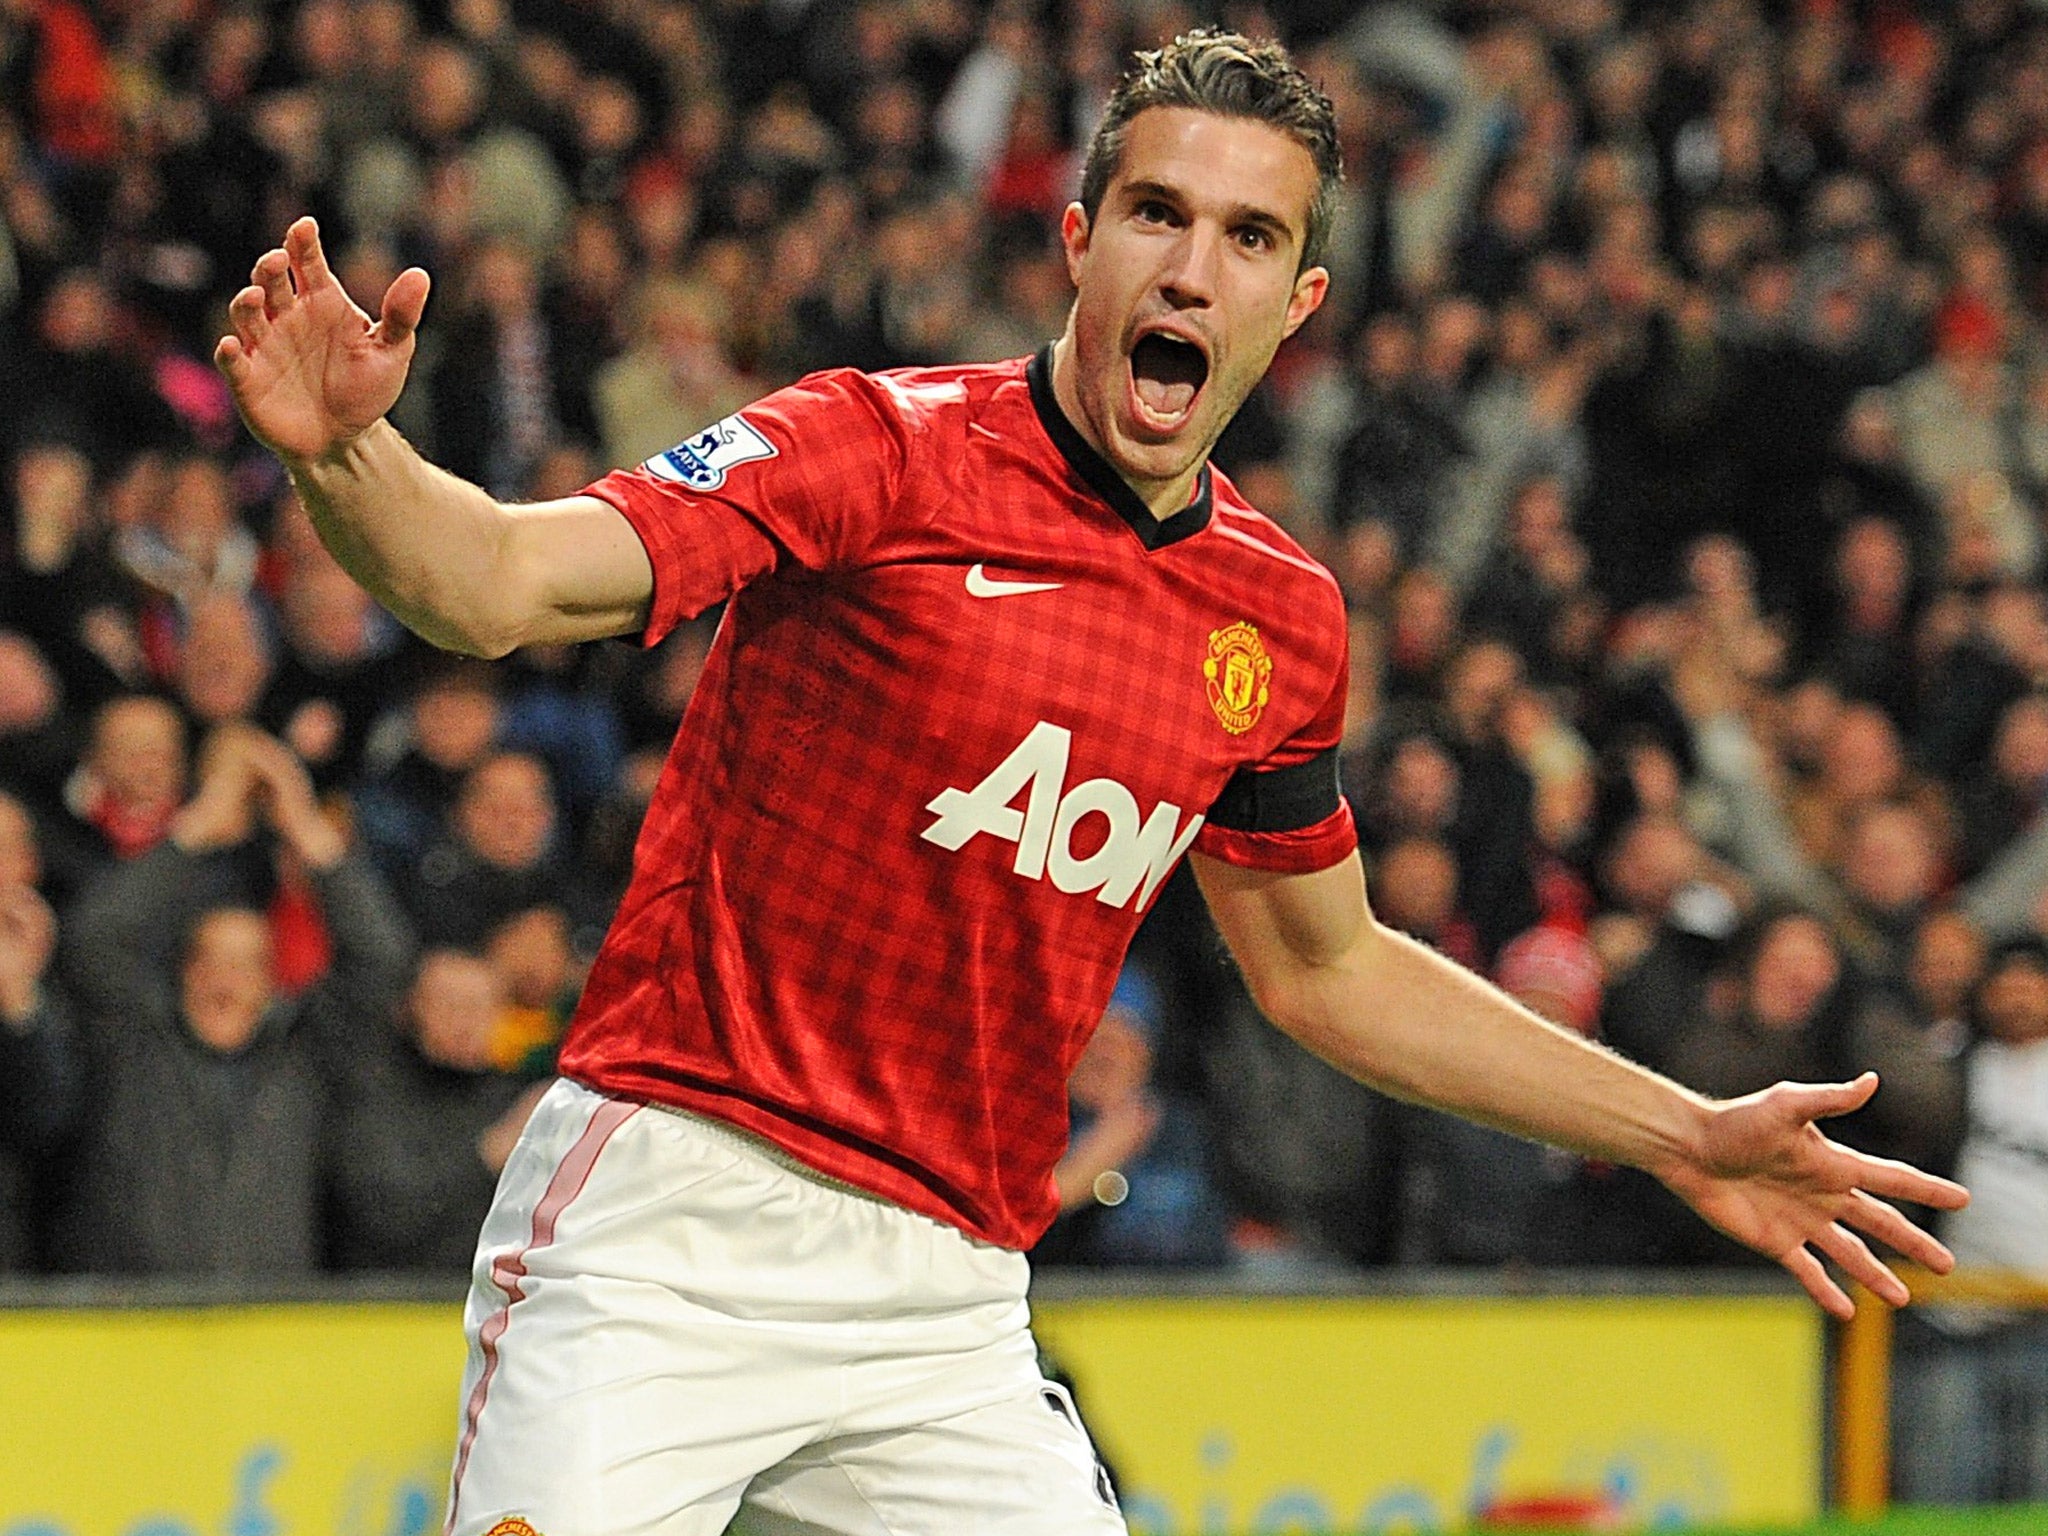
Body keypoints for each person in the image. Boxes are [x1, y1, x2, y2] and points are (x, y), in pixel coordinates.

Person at [214, 32, 1968, 1536]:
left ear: (1301, 304)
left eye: (1249, 235)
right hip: (672, 1214)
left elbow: (1329, 967)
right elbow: (502, 582)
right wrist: (353, 456)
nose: (1193, 269)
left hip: (948, 1298)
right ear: (1078, 240)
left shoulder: (1276, 620)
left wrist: (1683, 1135)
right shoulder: (875, 451)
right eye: (1158, 213)